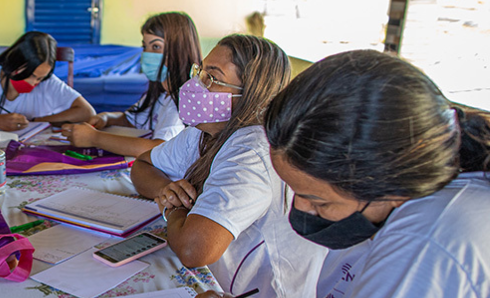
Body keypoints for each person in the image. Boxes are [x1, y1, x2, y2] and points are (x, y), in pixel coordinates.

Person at [263, 50, 490, 298]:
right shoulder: (406, 199)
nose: (301, 208)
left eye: (319, 202)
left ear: (395, 184)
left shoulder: (425, 244)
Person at [130, 34, 326, 297]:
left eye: (211, 78)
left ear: (250, 94)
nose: (195, 84)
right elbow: (142, 165)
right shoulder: (204, 132)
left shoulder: (251, 151)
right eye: (199, 72)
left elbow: (194, 250)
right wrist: (167, 188)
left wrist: (174, 207)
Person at [59, 12, 194, 157]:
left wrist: (95, 138)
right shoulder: (160, 93)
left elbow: (159, 149)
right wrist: (106, 117)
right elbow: (130, 120)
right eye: (145, 47)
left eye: (156, 47)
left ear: (179, 50)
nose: (147, 54)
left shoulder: (182, 100)